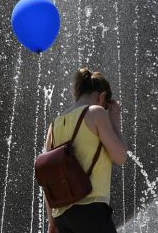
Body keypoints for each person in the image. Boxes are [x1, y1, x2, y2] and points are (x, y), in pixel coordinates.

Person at [44, 67, 127, 233]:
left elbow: (48, 176)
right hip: (91, 209)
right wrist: (115, 121)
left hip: (62, 215)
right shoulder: (96, 113)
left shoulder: (54, 125)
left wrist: (52, 221)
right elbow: (120, 157)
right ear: (102, 96)